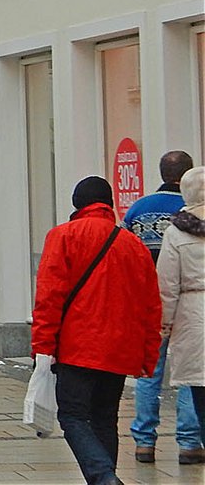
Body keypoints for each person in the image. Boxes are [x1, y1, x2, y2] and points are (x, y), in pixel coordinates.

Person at [32, 176, 161, 485]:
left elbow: (49, 296)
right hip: (119, 350)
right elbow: (151, 305)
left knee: (72, 415)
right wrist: (148, 356)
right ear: (110, 205)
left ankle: (104, 478)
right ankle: (105, 479)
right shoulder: (133, 244)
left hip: (77, 347)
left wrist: (42, 345)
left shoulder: (62, 236)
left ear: (77, 204)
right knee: (105, 418)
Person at [125, 151, 202, 464]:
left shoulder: (138, 209)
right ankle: (189, 441)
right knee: (191, 375)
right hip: (188, 305)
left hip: (150, 301)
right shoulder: (186, 215)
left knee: (148, 371)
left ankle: (144, 441)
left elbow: (129, 255)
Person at [159, 167, 205, 447]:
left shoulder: (176, 233)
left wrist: (164, 324)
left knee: (201, 391)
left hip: (193, 316)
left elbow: (167, 284)